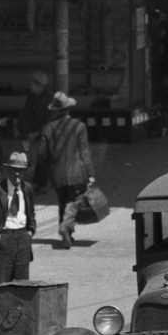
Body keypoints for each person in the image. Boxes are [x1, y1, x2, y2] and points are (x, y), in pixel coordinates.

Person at [37, 93, 94, 250]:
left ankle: (67, 234)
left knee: (63, 202)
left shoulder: (48, 128)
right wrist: (90, 174)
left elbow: (41, 153)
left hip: (56, 173)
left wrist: (49, 167)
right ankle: (66, 226)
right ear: (69, 108)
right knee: (75, 201)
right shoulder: (79, 126)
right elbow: (84, 153)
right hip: (77, 172)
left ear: (55, 110)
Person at [0, 151, 38, 284]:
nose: (17, 174)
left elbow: (31, 213)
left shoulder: (27, 189)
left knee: (22, 287)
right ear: (7, 170)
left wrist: (30, 231)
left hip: (23, 241)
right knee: (0, 286)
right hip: (3, 241)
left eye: (21, 170)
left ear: (25, 171)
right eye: (14, 170)